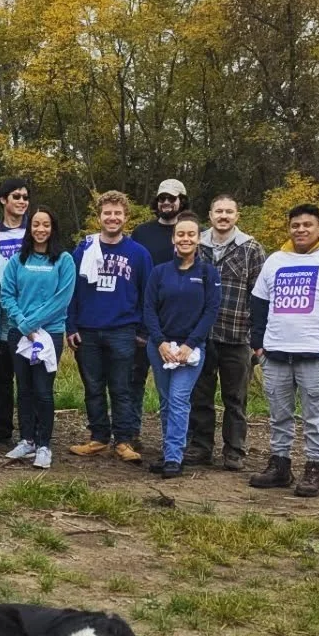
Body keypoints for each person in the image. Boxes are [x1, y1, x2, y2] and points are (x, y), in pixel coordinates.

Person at [248, 203, 319, 498]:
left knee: (314, 417)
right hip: (275, 354)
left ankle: (313, 468)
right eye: (295, 225)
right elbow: (259, 303)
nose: (300, 230)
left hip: (315, 355)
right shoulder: (276, 260)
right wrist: (258, 346)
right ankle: (280, 465)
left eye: (307, 225)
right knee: (279, 415)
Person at [67, 191, 153, 462]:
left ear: (125, 217)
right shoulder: (84, 249)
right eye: (107, 213)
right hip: (87, 329)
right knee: (93, 387)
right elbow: (70, 290)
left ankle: (124, 440)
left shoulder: (138, 254)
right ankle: (98, 437)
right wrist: (70, 326)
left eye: (118, 213)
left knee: (122, 387)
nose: (112, 218)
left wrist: (143, 330)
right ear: (99, 217)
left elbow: (147, 294)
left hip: (122, 330)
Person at [186, 195, 265, 470]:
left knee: (235, 398)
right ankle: (200, 447)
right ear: (210, 215)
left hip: (237, 335)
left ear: (237, 216)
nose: (223, 216)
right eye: (218, 210)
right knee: (200, 396)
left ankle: (234, 451)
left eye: (229, 212)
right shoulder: (196, 244)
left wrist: (257, 337)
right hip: (201, 336)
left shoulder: (251, 248)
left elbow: (261, 295)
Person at [144, 214, 222, 479]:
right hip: (160, 347)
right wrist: (161, 342)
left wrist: (190, 345)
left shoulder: (208, 273)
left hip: (191, 350)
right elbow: (149, 310)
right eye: (181, 234)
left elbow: (211, 311)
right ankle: (169, 452)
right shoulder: (159, 272)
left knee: (179, 400)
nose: (185, 239)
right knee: (166, 402)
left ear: (198, 239)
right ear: (173, 238)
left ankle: (175, 457)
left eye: (191, 234)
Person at [0, 207, 76, 470]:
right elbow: (6, 294)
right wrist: (22, 324)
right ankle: (27, 440)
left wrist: (32, 325)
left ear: (53, 228)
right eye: (35, 225)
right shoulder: (18, 260)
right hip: (19, 335)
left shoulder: (64, 260)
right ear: (29, 228)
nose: (40, 229)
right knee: (24, 390)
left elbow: (62, 299)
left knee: (43, 391)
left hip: (49, 334)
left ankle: (44, 445)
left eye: (46, 225)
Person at [129, 179, 187, 446]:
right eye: (162, 198)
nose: (166, 202)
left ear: (181, 201)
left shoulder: (189, 232)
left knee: (179, 388)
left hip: (179, 320)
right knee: (135, 378)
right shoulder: (142, 233)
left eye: (172, 198)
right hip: (144, 318)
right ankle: (131, 432)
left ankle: (178, 439)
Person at [0, 176, 32, 446]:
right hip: (1, 313)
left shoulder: (34, 232)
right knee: (3, 375)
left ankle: (33, 426)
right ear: (4, 200)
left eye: (25, 197)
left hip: (30, 313)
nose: (22, 202)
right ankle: (2, 426)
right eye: (16, 197)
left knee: (30, 375)